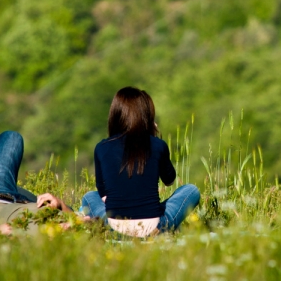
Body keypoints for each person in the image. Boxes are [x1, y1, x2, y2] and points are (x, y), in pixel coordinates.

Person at [80, 87, 200, 237]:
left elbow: (104, 196)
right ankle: (165, 230)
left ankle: (86, 223)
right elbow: (169, 180)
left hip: (114, 229)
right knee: (191, 190)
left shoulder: (101, 148)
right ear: (146, 117)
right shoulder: (157, 145)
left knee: (89, 197)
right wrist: (154, 137)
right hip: (155, 228)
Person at [0, 130, 81, 235]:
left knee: (11, 137)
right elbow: (83, 218)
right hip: (32, 202)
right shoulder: (75, 226)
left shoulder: (32, 238)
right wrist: (61, 204)